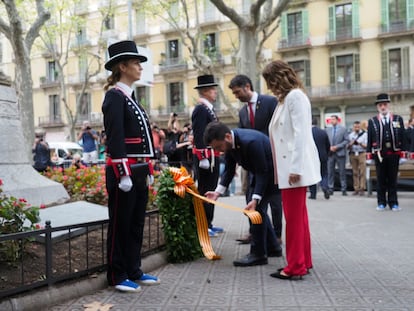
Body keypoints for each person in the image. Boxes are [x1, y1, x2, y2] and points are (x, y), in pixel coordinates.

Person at [102, 40, 160, 292]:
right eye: (136, 63)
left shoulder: (131, 98)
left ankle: (134, 269)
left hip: (138, 171)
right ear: (122, 66)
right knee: (120, 224)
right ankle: (117, 274)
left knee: (136, 222)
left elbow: (143, 140)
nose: (140, 67)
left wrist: (147, 170)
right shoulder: (114, 97)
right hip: (123, 172)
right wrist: (123, 172)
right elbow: (115, 137)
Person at [263, 60, 321, 280]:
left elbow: (301, 134)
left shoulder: (294, 97)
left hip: (294, 169)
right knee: (300, 217)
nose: (269, 87)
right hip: (291, 168)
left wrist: (295, 168)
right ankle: (303, 261)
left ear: (278, 77)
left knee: (294, 219)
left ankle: (295, 267)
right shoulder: (288, 99)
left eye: (270, 81)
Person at [204, 122, 282, 266]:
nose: (219, 151)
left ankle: (258, 254)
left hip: (271, 176)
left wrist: (256, 198)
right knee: (258, 212)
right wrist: (217, 192)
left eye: (218, 147)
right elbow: (228, 171)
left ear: (227, 137)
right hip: (259, 174)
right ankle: (273, 247)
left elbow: (262, 172)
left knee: (256, 212)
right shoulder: (229, 144)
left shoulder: (251, 142)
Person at [228, 74, 282, 245]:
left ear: (247, 86)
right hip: (252, 163)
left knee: (274, 200)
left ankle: (277, 234)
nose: (236, 96)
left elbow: (279, 128)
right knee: (251, 197)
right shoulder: (243, 112)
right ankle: (255, 232)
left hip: (272, 159)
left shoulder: (270, 102)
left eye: (237, 92)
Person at [191, 74, 222, 237]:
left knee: (211, 189)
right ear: (205, 91)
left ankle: (209, 222)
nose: (215, 92)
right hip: (206, 157)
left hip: (212, 155)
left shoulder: (208, 108)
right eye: (212, 89)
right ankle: (203, 225)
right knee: (205, 189)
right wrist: (202, 156)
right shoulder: (200, 109)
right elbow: (198, 133)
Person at [367, 93, 405, 211]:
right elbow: (370, 138)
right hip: (379, 155)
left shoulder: (398, 119)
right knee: (381, 179)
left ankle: (393, 202)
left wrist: (403, 154)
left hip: (394, 154)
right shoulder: (372, 121)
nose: (383, 107)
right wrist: (369, 155)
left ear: (388, 105)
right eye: (380, 105)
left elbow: (403, 137)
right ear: (378, 107)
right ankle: (381, 202)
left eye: (384, 104)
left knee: (392, 180)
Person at [326, 115, 349, 196]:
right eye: (330, 119)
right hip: (330, 154)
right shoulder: (327, 130)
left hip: (340, 153)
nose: (332, 121)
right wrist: (329, 147)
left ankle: (343, 189)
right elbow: (326, 141)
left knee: (342, 172)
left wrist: (337, 147)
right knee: (330, 172)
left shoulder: (343, 129)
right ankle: (330, 188)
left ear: (337, 120)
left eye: (333, 119)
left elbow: (346, 140)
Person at [309, 118, 331, 200]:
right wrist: (327, 154)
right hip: (323, 156)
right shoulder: (323, 132)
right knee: (324, 173)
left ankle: (313, 194)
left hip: (311, 157)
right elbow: (328, 145)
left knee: (312, 174)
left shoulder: (307, 132)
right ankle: (325, 187)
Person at [347, 121, 367, 196]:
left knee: (362, 171)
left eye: (358, 127)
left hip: (362, 153)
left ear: (360, 127)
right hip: (353, 153)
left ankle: (362, 188)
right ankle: (356, 188)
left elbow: (367, 146)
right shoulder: (350, 135)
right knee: (355, 172)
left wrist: (360, 143)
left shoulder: (364, 134)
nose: (356, 128)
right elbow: (347, 147)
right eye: (355, 127)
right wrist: (351, 144)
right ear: (353, 127)